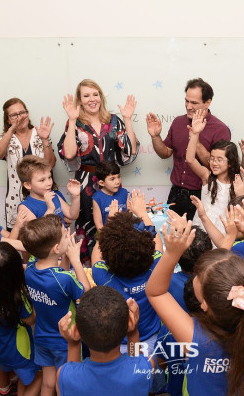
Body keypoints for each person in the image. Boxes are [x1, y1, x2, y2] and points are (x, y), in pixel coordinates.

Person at [147, 199, 244, 396]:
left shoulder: (195, 339)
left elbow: (156, 292)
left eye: (199, 276)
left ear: (204, 304)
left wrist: (172, 253)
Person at [58, 79, 139, 260]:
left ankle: (116, 264)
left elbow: (130, 150)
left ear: (101, 97)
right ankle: (89, 270)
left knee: (116, 223)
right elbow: (69, 154)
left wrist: (127, 119)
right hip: (85, 183)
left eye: (95, 94)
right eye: (86, 95)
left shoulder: (113, 120)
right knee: (88, 226)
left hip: (111, 182)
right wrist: (72, 120)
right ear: (80, 100)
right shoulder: (75, 122)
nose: (92, 99)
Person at [20, 215, 90, 396]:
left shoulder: (30, 270)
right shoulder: (65, 279)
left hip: (42, 336)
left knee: (48, 382)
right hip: (63, 340)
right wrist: (75, 259)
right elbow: (86, 292)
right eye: (65, 235)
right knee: (63, 382)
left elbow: (59, 275)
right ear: (56, 248)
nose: (68, 235)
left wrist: (64, 254)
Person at [146, 78, 231, 219]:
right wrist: (155, 137)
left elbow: (217, 166)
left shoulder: (220, 129)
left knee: (198, 233)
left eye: (194, 103)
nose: (188, 106)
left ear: (208, 102)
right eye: (186, 101)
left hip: (203, 195)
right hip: (176, 194)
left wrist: (195, 138)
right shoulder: (178, 122)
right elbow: (165, 153)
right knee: (169, 232)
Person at [92, 190, 164, 352]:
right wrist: (142, 213)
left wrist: (110, 224)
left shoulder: (103, 276)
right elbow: (157, 243)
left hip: (119, 343)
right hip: (153, 340)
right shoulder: (155, 268)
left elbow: (96, 255)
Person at [56, 287, 155, 396]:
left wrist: (73, 344)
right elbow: (137, 362)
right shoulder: (147, 366)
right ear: (129, 324)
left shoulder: (63, 376)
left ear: (77, 331)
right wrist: (133, 333)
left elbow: (71, 376)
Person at [0, 242, 42, 396]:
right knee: (39, 377)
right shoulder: (18, 297)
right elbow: (30, 320)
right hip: (19, 353)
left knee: (2, 366)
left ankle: (4, 389)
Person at [0, 97, 56, 230]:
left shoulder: (40, 133)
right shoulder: (5, 137)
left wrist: (45, 140)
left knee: (47, 231)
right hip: (15, 197)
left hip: (43, 196)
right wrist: (11, 130)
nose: (19, 117)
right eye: (14, 115)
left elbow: (50, 164)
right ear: (7, 119)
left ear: (27, 113)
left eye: (22, 112)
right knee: (20, 235)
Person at [185, 109, 240, 238]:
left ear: (230, 162)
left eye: (220, 159)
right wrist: (195, 135)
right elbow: (190, 159)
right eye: (212, 158)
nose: (214, 163)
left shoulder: (237, 184)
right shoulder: (207, 177)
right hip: (200, 230)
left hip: (221, 233)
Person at [16, 155, 81, 224]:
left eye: (49, 177)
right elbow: (38, 230)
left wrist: (75, 196)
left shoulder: (54, 195)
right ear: (28, 185)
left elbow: (72, 215)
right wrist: (50, 210)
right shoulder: (25, 208)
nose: (49, 183)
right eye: (42, 180)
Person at [92, 160, 129, 230]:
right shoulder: (97, 198)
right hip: (107, 234)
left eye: (118, 177)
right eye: (112, 179)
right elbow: (99, 225)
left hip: (126, 233)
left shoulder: (124, 192)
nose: (117, 182)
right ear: (102, 183)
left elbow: (130, 216)